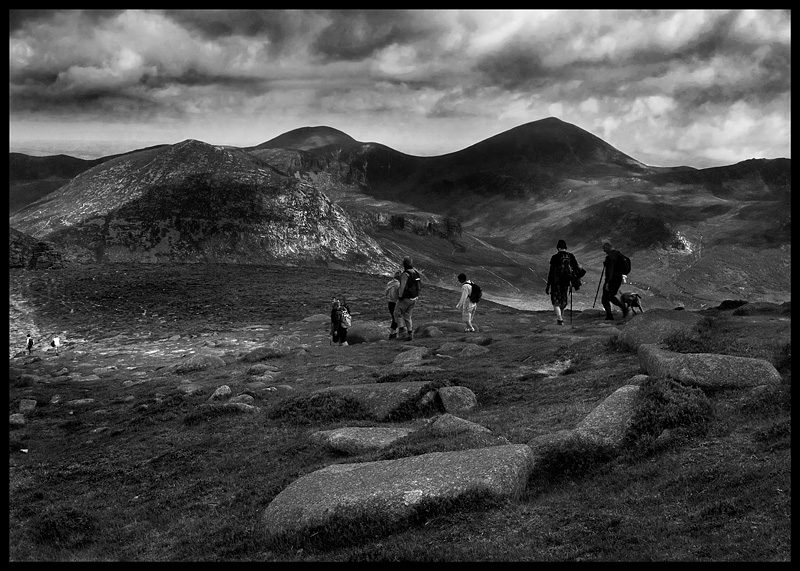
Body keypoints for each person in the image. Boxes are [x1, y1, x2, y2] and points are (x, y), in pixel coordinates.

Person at [545, 239, 583, 325]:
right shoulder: (571, 256)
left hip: (556, 282)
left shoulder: (555, 257)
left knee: (555, 301)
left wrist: (548, 285)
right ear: (565, 247)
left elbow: (551, 272)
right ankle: (561, 317)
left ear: (558, 248)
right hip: (566, 282)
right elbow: (577, 269)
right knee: (563, 300)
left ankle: (559, 319)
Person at [601, 241, 629, 320]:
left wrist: (607, 282)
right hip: (618, 279)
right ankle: (622, 309)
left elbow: (610, 271)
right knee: (611, 296)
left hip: (611, 280)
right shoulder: (619, 255)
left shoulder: (610, 257)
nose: (604, 251)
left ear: (607, 248)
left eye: (604, 249)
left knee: (605, 299)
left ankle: (612, 314)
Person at [394, 256, 420, 341]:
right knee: (408, 316)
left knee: (397, 313)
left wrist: (400, 296)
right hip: (414, 298)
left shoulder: (405, 274)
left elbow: (402, 286)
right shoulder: (415, 272)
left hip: (406, 298)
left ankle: (402, 332)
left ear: (404, 264)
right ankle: (410, 333)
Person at [385, 270, 401, 339]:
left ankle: (394, 333)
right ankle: (392, 334)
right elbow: (400, 294)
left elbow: (386, 293)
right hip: (396, 303)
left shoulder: (389, 283)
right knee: (396, 319)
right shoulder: (398, 284)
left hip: (390, 302)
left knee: (394, 318)